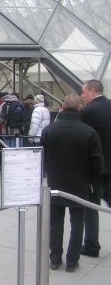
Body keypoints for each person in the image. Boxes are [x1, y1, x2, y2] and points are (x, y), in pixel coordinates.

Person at [41, 93, 103, 272]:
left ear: (62, 107)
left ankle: (55, 259)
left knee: (55, 224)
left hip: (55, 184)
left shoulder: (49, 130)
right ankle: (72, 261)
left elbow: (42, 157)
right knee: (77, 224)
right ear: (79, 108)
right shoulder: (89, 132)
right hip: (80, 185)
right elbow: (96, 162)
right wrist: (94, 183)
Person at [80, 79, 111, 258]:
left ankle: (91, 245)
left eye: (83, 92)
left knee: (90, 207)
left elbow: (85, 141)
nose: (82, 95)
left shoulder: (88, 111)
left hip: (95, 169)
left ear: (92, 91)